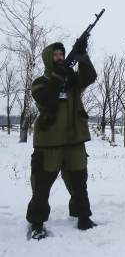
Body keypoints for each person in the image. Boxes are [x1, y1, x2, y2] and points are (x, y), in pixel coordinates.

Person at [27, 42, 97, 240]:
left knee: (79, 182)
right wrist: (59, 76)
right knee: (41, 184)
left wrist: (83, 58)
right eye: (55, 54)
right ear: (49, 58)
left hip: (75, 139)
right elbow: (46, 99)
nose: (59, 57)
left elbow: (90, 77)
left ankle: (83, 216)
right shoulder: (40, 81)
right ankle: (37, 222)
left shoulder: (72, 79)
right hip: (49, 142)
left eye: (62, 54)